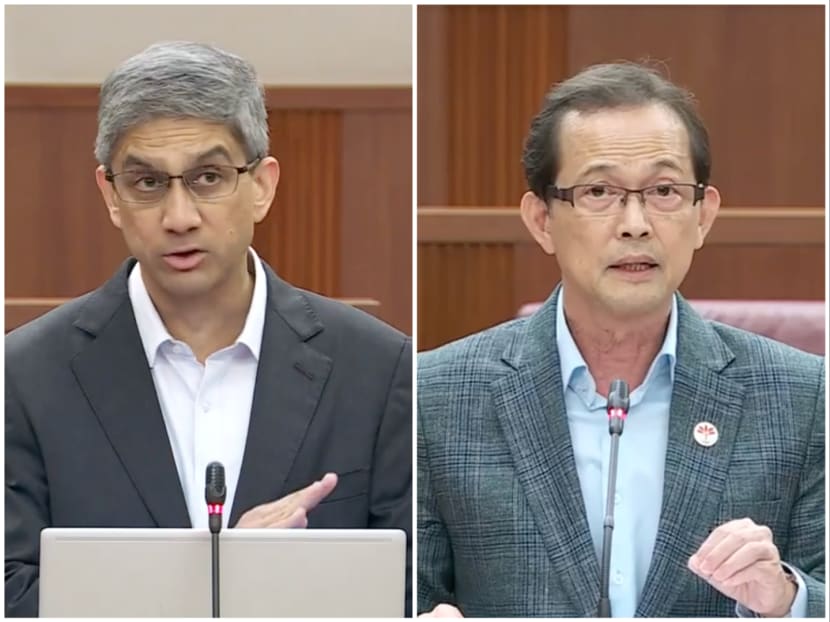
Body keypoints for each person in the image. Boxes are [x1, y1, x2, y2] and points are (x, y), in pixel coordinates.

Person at [5, 41, 412, 617]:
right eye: (147, 183)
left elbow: (407, 588)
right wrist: (225, 579)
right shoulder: (23, 377)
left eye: (208, 177)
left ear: (263, 185)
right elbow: (11, 594)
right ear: (111, 195)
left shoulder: (378, 367)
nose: (179, 217)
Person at [417, 62, 824, 617]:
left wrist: (788, 599)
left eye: (663, 190)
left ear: (703, 216)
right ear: (541, 220)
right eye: (600, 191)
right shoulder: (435, 397)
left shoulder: (802, 397)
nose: (635, 223)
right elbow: (401, 592)